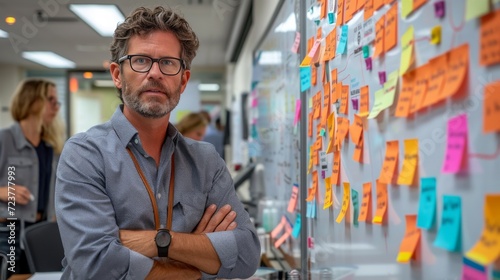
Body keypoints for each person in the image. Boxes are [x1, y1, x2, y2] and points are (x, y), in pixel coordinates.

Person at [55, 6, 261, 279]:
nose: (155, 73)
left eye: (168, 63)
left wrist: (158, 241)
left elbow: (246, 255)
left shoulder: (206, 161)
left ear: (183, 80)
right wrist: (197, 259)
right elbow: (96, 263)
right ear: (117, 75)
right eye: (141, 60)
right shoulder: (84, 155)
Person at [0, 79, 65, 275]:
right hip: (9, 230)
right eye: (50, 100)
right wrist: (3, 191)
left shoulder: (52, 146)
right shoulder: (5, 139)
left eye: (57, 101)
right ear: (32, 101)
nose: (56, 107)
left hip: (41, 230)